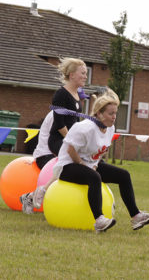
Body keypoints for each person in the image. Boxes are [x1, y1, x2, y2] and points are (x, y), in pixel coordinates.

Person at [53, 88, 149, 232]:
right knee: (94, 177)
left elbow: (101, 151)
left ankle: (136, 216)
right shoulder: (84, 128)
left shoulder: (110, 128)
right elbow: (71, 150)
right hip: (67, 166)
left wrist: (94, 164)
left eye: (115, 113)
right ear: (99, 114)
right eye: (111, 113)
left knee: (124, 175)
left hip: (88, 164)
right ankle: (99, 221)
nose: (114, 116)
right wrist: (85, 165)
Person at [20, 58, 88, 213]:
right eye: (82, 73)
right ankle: (33, 196)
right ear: (71, 75)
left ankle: (32, 197)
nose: (85, 77)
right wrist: (75, 145)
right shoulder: (58, 108)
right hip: (46, 155)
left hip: (60, 151)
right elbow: (61, 129)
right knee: (67, 171)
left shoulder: (76, 101)